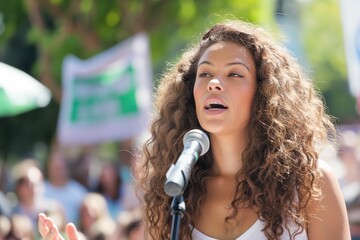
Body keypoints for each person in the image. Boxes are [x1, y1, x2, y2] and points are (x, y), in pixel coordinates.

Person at [38, 19, 351, 240]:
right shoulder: (171, 193)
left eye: (235, 74)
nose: (215, 83)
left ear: (265, 94)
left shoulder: (312, 184)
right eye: (205, 75)